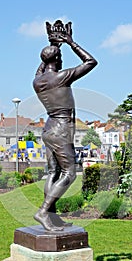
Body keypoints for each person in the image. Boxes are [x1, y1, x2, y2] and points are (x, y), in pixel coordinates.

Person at [33, 28, 97, 231]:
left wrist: (53, 47)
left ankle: (51, 215)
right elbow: (91, 62)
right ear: (58, 59)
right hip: (61, 129)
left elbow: (41, 69)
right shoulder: (62, 77)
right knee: (69, 173)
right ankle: (43, 212)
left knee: (53, 171)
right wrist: (70, 42)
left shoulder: (38, 81)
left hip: (49, 128)